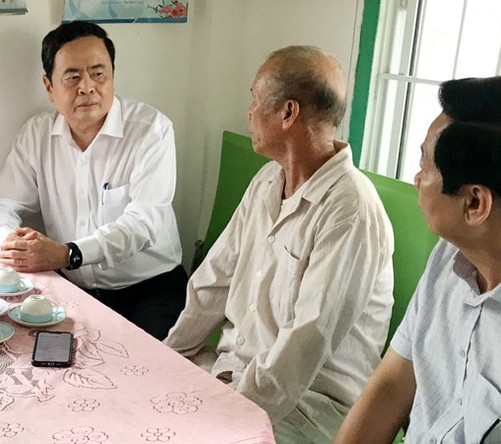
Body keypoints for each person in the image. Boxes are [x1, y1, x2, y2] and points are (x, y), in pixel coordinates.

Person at [335, 76, 501, 443]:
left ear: (475, 203)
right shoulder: (454, 251)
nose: (417, 179)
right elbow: (392, 386)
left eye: (426, 167)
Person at [163, 46, 395, 443]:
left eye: (255, 100)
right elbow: (213, 281)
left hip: (305, 407)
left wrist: (232, 416)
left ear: (288, 113)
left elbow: (304, 344)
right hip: (233, 371)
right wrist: (169, 357)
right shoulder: (268, 181)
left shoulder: (350, 210)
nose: (249, 112)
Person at [0, 21, 186, 340]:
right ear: (49, 87)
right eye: (73, 76)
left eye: (98, 73)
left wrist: (67, 254)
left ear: (112, 77)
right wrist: (14, 243)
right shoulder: (37, 135)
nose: (87, 87)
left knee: (134, 377)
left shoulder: (151, 130)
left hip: (149, 292)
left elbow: (142, 224)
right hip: (70, 290)